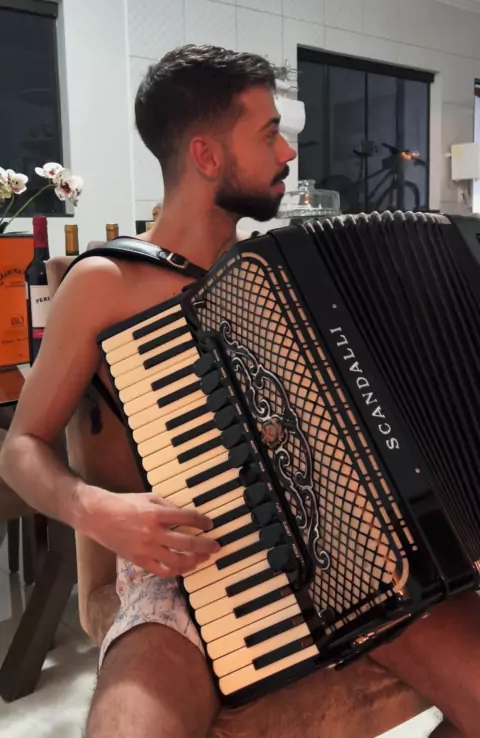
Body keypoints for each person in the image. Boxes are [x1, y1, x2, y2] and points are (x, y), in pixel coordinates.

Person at [0, 45, 478, 738]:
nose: (288, 152)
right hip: (185, 567)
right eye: (269, 134)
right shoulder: (104, 282)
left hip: (347, 549)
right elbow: (21, 445)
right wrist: (95, 510)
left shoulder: (289, 274)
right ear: (206, 155)